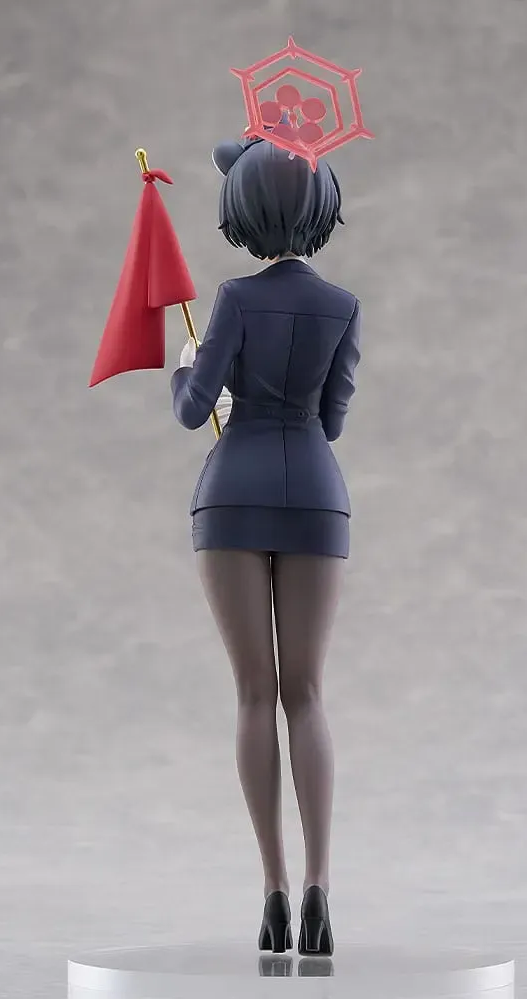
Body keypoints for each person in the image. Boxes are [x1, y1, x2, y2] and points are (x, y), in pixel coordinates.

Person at [170, 133, 361, 957]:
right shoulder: (343, 306)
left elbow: (193, 411)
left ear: (242, 208)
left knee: (254, 694)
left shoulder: (234, 298)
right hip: (315, 493)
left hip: (234, 493)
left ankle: (275, 893)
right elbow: (333, 419)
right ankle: (321, 887)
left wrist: (187, 369)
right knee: (305, 693)